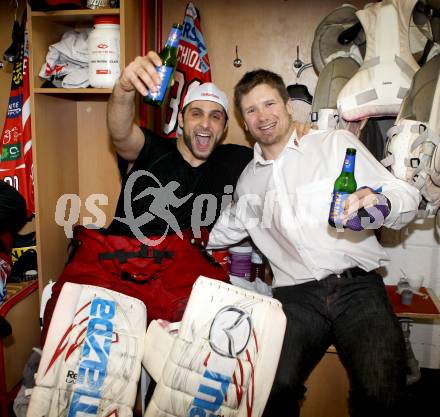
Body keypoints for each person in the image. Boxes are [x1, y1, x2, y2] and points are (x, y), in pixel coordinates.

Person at [208, 69, 421, 417]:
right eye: (251, 110)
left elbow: (405, 195)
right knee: (270, 389)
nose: (262, 116)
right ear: (244, 122)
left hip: (357, 287)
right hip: (295, 298)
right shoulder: (248, 183)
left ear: (289, 107)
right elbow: (220, 234)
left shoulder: (333, 144)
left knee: (382, 390)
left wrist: (381, 204)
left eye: (269, 103)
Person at [40, 51, 254, 343]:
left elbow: (276, 151)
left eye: (215, 116)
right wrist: (124, 89)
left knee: (221, 326)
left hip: (181, 266)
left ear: (225, 127)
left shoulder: (234, 159)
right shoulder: (150, 147)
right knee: (76, 325)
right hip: (120, 256)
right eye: (196, 113)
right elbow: (120, 132)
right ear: (182, 119)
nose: (206, 123)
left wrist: (299, 131)